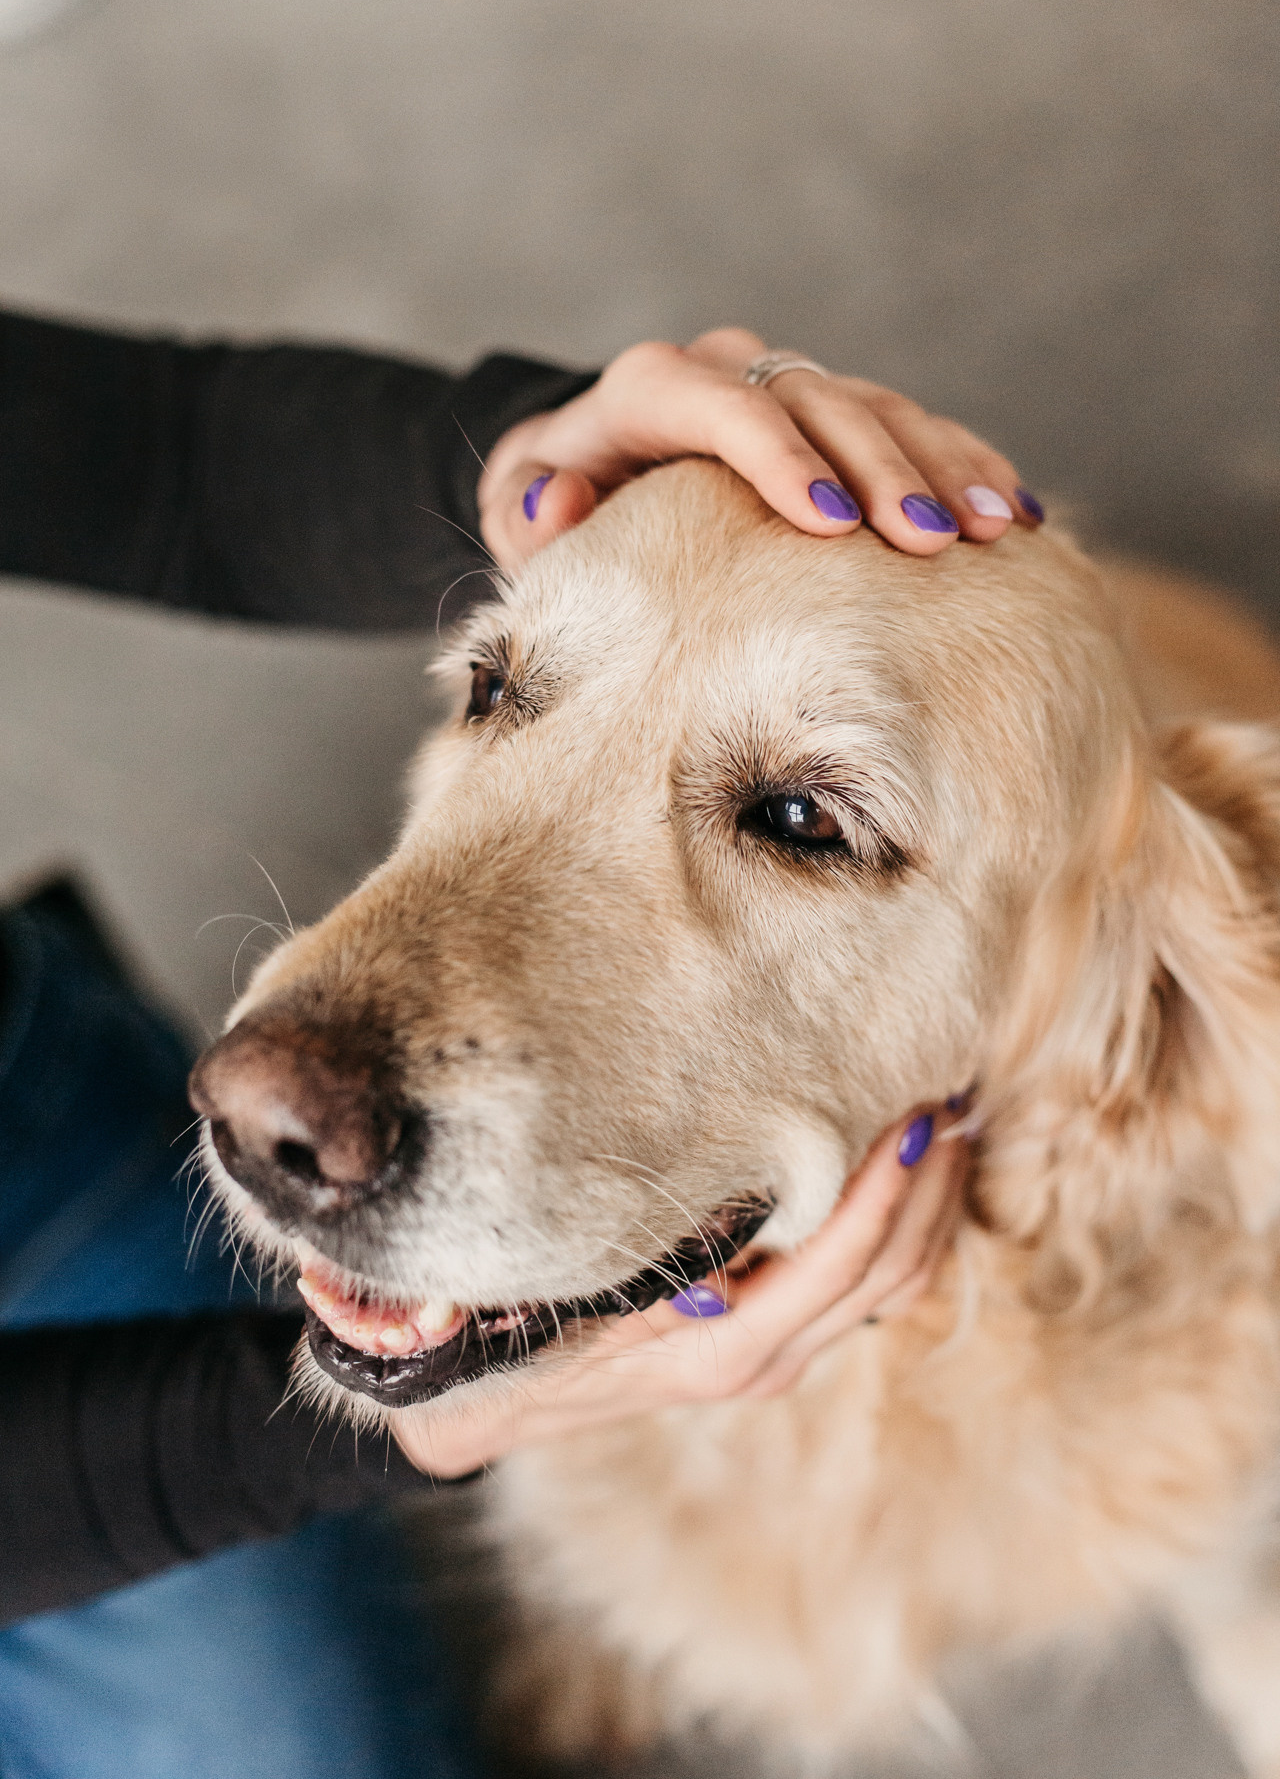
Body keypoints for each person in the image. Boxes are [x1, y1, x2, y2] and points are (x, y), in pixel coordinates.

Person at [0, 307, 1037, 1778]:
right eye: (494, 688)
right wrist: (393, 1434)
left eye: (802, 818)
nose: (285, 1067)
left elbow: (150, 453)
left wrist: (541, 470)